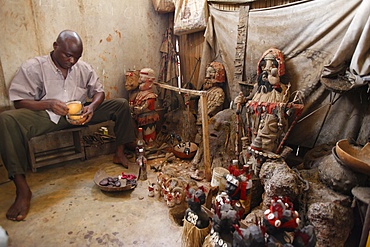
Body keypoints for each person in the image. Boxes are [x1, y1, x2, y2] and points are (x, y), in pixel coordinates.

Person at [0, 30, 136, 221]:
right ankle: (22, 190)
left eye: (77, 57)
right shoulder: (34, 67)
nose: (72, 61)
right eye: (68, 55)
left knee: (121, 104)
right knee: (6, 119)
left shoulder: (83, 68)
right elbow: (19, 101)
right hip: (47, 116)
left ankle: (119, 152)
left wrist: (92, 107)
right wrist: (48, 104)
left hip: (80, 114)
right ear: (56, 47)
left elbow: (99, 92)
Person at [130, 68, 159, 146]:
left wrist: (139, 109)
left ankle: (150, 146)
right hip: (140, 119)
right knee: (140, 135)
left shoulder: (150, 96)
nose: (139, 81)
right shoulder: (139, 93)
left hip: (148, 118)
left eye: (142, 81)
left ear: (150, 82)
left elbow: (144, 107)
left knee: (148, 134)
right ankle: (142, 147)